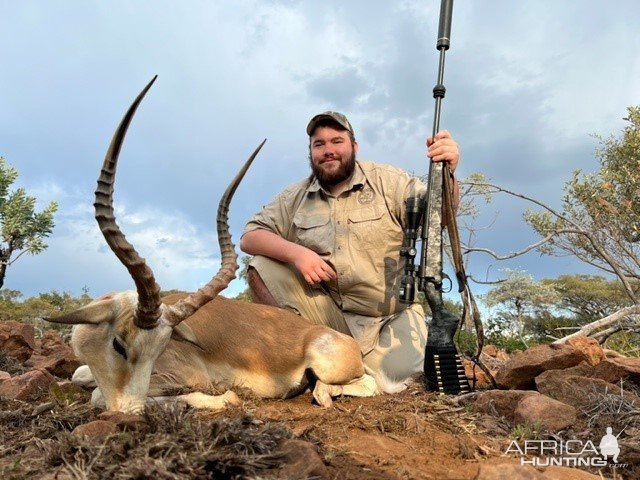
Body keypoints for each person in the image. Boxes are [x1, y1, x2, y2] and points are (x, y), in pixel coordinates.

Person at [239, 111, 460, 392]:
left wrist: (449, 172)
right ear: (310, 152)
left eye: (337, 141)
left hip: (388, 318)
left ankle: (333, 371)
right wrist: (297, 254)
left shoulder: (388, 181)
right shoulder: (295, 196)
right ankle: (294, 362)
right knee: (262, 265)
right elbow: (250, 237)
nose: (328, 150)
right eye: (319, 144)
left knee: (395, 385)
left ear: (354, 146)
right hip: (329, 318)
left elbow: (441, 214)